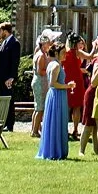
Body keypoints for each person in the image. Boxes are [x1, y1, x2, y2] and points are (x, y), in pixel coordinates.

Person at [36, 33, 74, 161]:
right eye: (63, 53)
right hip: (57, 95)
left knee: (55, 122)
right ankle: (56, 151)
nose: (65, 55)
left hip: (55, 95)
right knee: (57, 122)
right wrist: (68, 86)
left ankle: (54, 149)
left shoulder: (52, 64)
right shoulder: (56, 65)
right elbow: (53, 84)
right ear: (56, 53)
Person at [62, 33, 92, 140]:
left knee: (66, 106)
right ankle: (75, 129)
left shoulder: (64, 52)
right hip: (78, 80)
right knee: (77, 107)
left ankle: (64, 129)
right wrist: (95, 47)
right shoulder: (77, 52)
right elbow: (90, 56)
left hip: (67, 79)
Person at [0, 22, 21, 131]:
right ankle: (2, 124)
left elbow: (15, 61)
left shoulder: (14, 43)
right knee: (2, 100)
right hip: (1, 76)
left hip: (8, 78)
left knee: (9, 101)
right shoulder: (4, 42)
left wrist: (11, 77)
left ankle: (9, 125)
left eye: (0, 31)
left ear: (5, 31)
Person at [31, 31, 53, 140]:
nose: (50, 45)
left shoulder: (41, 53)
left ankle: (34, 130)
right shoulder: (41, 56)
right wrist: (50, 71)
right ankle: (35, 131)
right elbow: (40, 71)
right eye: (48, 43)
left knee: (38, 107)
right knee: (40, 108)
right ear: (43, 44)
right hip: (40, 82)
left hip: (40, 82)